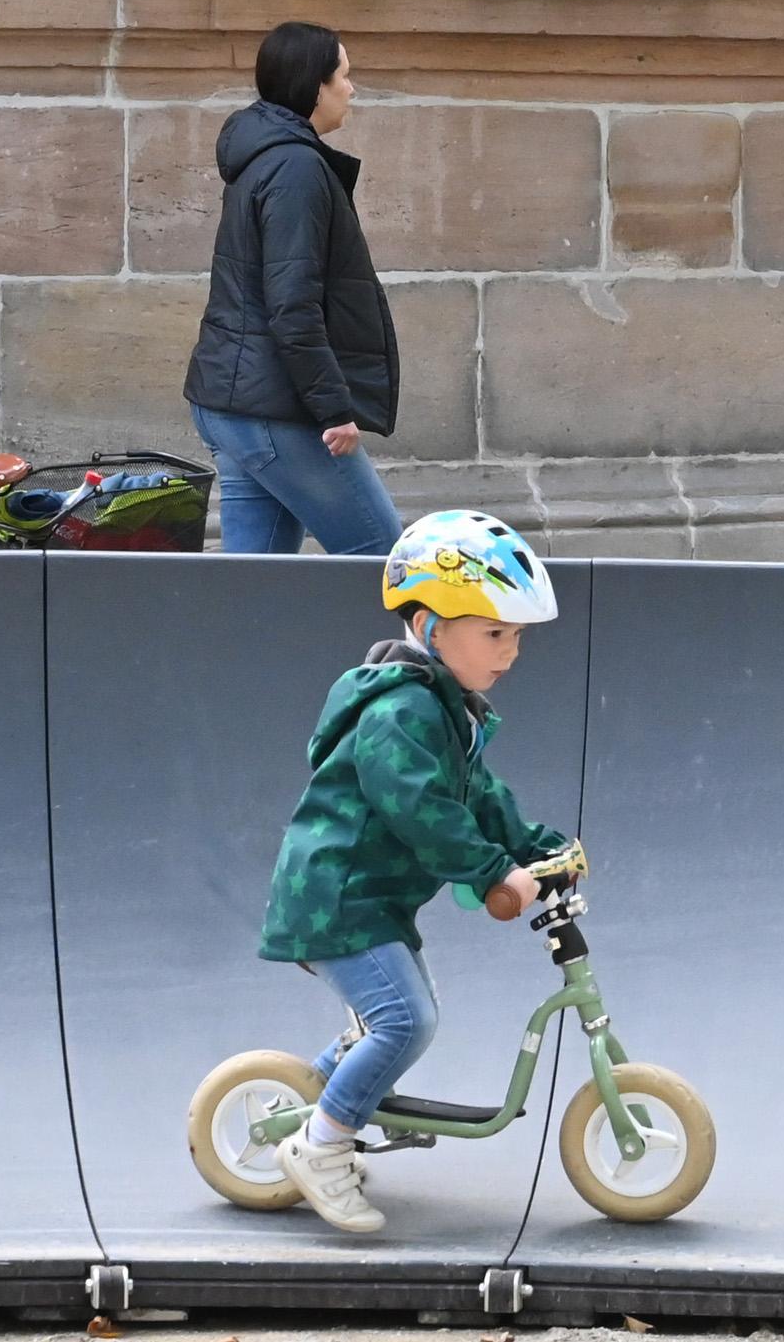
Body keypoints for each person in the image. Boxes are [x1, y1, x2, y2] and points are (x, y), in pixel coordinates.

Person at [257, 510, 585, 1232]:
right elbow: (422, 810)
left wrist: (539, 848)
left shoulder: (445, 708)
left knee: (395, 1018)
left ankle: (316, 1102)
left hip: (365, 899)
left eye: (517, 635)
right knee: (405, 1020)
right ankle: (321, 1144)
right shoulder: (401, 711)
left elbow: (480, 797)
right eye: (495, 632)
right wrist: (499, 870)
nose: (511, 651)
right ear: (435, 628)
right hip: (335, 899)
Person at [183, 20, 403, 556]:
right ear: (315, 85)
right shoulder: (295, 167)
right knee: (387, 562)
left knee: (259, 590)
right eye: (344, 76)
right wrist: (334, 409)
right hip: (274, 408)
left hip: (238, 403)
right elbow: (292, 304)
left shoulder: (266, 157)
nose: (351, 89)